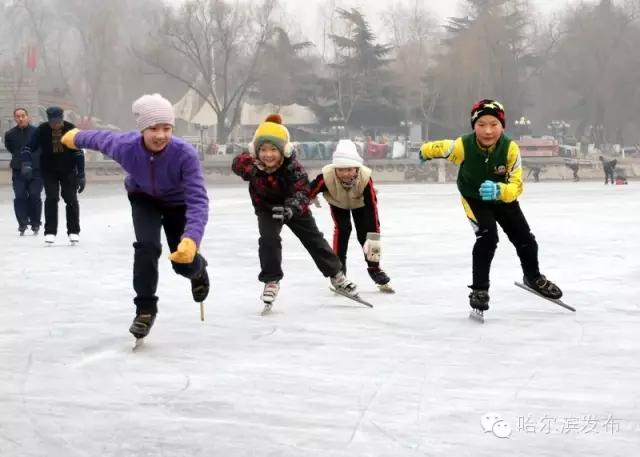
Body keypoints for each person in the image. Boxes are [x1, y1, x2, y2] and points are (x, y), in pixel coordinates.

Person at [60, 93, 210, 339]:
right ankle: (145, 310)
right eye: (153, 128)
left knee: (181, 262)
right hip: (144, 199)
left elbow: (198, 200)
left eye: (166, 128)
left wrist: (192, 239)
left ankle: (198, 270)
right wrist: (75, 137)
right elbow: (99, 138)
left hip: (178, 204)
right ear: (142, 128)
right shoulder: (126, 146)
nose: (161, 135)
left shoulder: (185, 154)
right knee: (146, 247)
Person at [418, 99, 562, 316]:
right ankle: (479, 289)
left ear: (502, 126)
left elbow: (516, 185)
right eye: (481, 124)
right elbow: (442, 147)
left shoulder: (510, 149)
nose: (487, 131)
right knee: (487, 238)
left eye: (494, 125)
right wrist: (424, 151)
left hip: (503, 197)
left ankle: (533, 277)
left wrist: (499, 191)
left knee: (525, 239)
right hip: (474, 198)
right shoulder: (462, 146)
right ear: (473, 126)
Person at [232, 113, 358, 306]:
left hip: (293, 207)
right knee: (269, 240)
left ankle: (336, 276)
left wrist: (291, 209)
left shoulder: (293, 167)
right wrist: (249, 155)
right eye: (263, 150)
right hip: (266, 208)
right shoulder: (252, 167)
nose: (268, 155)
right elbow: (237, 164)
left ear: (285, 150)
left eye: (273, 149)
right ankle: (271, 281)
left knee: (314, 239)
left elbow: (302, 192)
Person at [309, 139, 393, 291]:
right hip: (338, 203)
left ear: (356, 168)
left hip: (361, 205)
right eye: (340, 170)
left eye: (349, 170)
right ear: (335, 169)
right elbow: (309, 190)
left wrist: (373, 236)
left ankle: (375, 269)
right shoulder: (327, 176)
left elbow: (372, 209)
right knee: (343, 231)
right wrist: (306, 199)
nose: (345, 174)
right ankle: (339, 272)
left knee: (366, 235)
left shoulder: (365, 178)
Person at [21, 106, 85, 244]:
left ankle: (74, 231)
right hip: (49, 170)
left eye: (57, 122)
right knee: (51, 198)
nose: (55, 125)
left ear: (62, 119)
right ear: (48, 120)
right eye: (52, 122)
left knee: (70, 199)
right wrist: (26, 163)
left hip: (68, 170)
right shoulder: (42, 130)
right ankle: (50, 232)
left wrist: (81, 174)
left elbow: (79, 153)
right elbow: (27, 148)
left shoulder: (71, 129)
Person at [4, 108, 41, 235]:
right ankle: (23, 223)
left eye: (23, 116)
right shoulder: (10, 134)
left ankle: (35, 223)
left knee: (34, 195)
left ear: (27, 116)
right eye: (18, 116)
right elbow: (10, 148)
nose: (20, 118)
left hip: (35, 169)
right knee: (19, 196)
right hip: (18, 169)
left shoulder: (37, 132)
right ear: (15, 118)